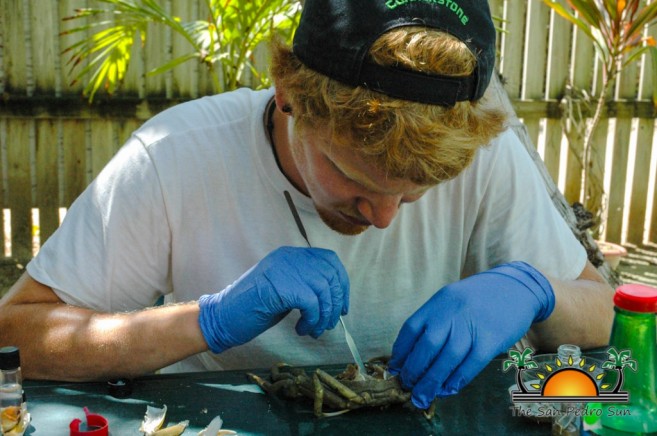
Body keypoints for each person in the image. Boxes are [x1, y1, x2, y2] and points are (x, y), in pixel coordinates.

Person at [0, 0, 614, 411]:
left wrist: (536, 288)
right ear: (289, 92)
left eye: (415, 192)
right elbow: (17, 337)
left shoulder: (490, 154)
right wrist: (205, 320)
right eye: (354, 179)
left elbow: (603, 318)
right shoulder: (174, 157)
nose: (384, 218)